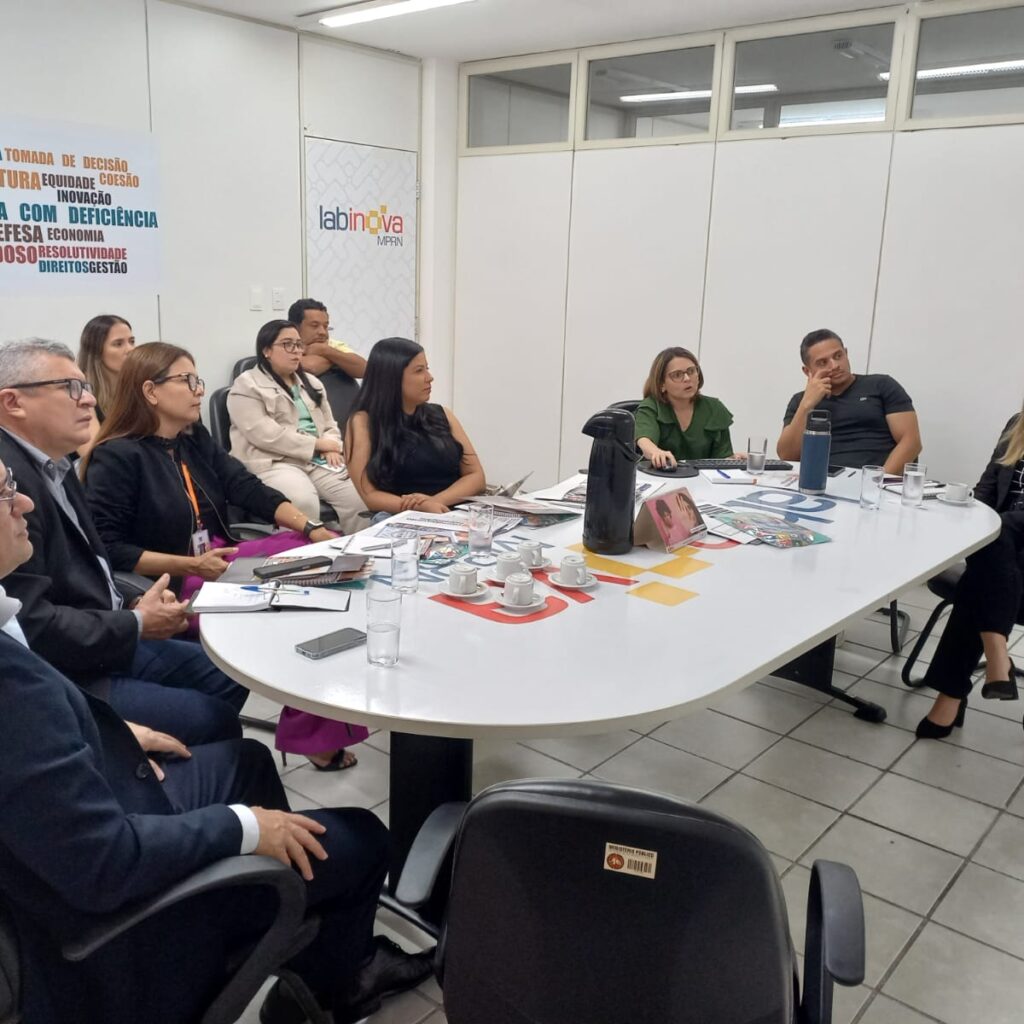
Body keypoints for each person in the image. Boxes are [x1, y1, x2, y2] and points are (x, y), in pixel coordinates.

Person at [0, 454, 432, 1023]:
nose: (25, 502)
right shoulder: (11, 690)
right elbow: (102, 864)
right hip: (121, 919)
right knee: (362, 836)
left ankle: (296, 938)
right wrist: (249, 828)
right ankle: (326, 977)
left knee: (246, 759)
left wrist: (117, 733)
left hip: (100, 808)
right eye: (7, 493)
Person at [82, 342, 368, 771]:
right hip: (176, 577)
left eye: (198, 380)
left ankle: (319, 723)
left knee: (314, 557)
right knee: (296, 609)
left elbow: (245, 486)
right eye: (188, 381)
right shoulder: (118, 456)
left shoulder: (191, 438)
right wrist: (190, 566)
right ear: (151, 391)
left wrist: (310, 528)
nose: (200, 390)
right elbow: (110, 547)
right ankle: (315, 738)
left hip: (215, 559)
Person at [0, 338, 245, 745]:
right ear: (13, 402)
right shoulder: (11, 488)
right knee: (212, 718)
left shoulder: (56, 462)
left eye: (88, 388)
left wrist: (134, 606)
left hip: (100, 633)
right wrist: (134, 623)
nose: (90, 401)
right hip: (64, 670)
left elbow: (87, 568)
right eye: (72, 388)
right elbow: (29, 622)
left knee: (228, 674)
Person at [916, 409, 1024, 739]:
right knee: (990, 545)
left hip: (1006, 546)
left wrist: (992, 528)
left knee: (991, 548)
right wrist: (965, 510)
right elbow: (988, 489)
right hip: (1003, 555)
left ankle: (951, 695)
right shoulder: (1018, 424)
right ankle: (996, 657)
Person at [228, 320, 366, 534]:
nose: (296, 351)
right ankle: (309, 562)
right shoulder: (246, 385)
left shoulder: (312, 382)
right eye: (287, 344)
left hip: (316, 460)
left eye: (299, 345)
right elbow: (266, 435)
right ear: (266, 350)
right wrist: (320, 444)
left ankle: (360, 556)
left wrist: (333, 445)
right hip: (274, 461)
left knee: (359, 499)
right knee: (303, 503)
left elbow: (330, 424)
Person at [344, 337, 485, 514]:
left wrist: (434, 503)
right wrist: (421, 508)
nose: (430, 378)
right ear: (391, 378)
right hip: (401, 516)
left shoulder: (442, 414)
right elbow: (370, 495)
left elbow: (476, 476)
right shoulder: (362, 422)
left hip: (454, 511)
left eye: (427, 369)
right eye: (419, 371)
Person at [777, 329, 921, 473]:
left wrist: (875, 484)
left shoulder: (881, 385)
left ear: (846, 353)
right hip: (822, 482)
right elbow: (787, 456)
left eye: (838, 356)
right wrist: (807, 404)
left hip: (876, 480)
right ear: (807, 371)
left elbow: (911, 442)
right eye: (822, 362)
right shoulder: (800, 401)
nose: (835, 365)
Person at [634, 347, 734, 468]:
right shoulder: (652, 407)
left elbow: (721, 458)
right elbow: (644, 440)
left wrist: (734, 460)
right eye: (677, 375)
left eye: (691, 371)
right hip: (661, 479)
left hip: (703, 482)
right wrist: (656, 452)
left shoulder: (714, 408)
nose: (687, 378)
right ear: (662, 384)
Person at [76, 313, 135, 454]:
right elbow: (91, 452)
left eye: (132, 341)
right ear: (96, 350)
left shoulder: (137, 389)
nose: (130, 350)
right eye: (118, 344)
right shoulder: (80, 392)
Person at [291, 297, 367, 380]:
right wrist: (338, 361)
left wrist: (325, 351)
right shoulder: (284, 345)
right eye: (314, 326)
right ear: (295, 327)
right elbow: (311, 367)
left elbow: (364, 369)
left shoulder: (331, 345)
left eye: (325, 326)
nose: (322, 332)